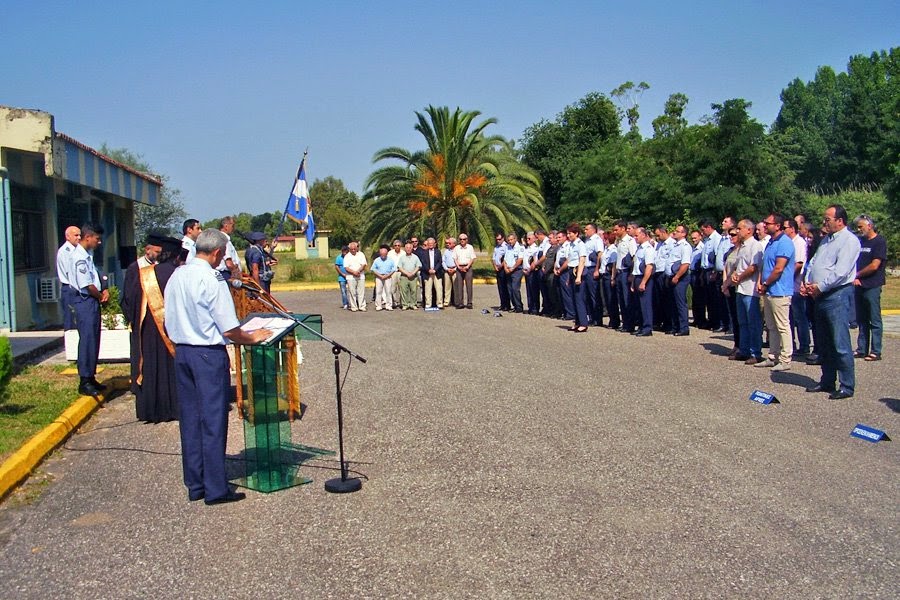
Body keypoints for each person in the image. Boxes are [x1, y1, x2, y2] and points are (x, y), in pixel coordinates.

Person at [165, 229, 271, 505]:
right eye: (223, 255)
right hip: (207, 355)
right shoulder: (212, 280)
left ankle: (196, 483)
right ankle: (215, 488)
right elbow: (230, 328)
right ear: (216, 253)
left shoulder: (178, 275)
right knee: (213, 421)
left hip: (183, 353)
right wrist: (252, 337)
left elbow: (169, 318)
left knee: (190, 420)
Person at [122, 233, 184, 423]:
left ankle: (151, 409)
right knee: (171, 368)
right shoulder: (179, 274)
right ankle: (175, 408)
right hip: (173, 330)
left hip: (148, 330)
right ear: (176, 256)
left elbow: (128, 301)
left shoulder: (145, 274)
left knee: (150, 366)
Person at [802, 205, 861, 399]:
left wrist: (821, 286)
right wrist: (808, 282)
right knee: (824, 341)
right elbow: (814, 262)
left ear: (840, 221)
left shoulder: (849, 241)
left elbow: (841, 271)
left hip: (836, 294)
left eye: (827, 219)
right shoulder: (826, 240)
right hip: (819, 294)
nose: (824, 222)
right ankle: (827, 380)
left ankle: (846, 385)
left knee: (839, 342)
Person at [70, 223, 109, 396]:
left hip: (92, 300)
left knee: (94, 339)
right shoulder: (79, 257)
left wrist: (105, 288)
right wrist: (101, 296)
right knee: (87, 339)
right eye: (97, 239)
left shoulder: (88, 255)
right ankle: (84, 380)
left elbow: (96, 276)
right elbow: (86, 284)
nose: (99, 242)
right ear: (88, 237)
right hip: (85, 300)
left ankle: (91, 376)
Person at [756, 213, 795, 371]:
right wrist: (761, 283)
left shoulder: (784, 242)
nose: (765, 226)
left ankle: (786, 359)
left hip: (780, 290)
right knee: (771, 326)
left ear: (777, 225)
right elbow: (765, 266)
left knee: (782, 325)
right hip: (769, 290)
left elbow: (779, 268)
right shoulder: (770, 242)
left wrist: (765, 283)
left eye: (768, 223)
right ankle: (773, 356)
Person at [853, 215, 886, 361]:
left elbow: (874, 265)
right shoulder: (860, 242)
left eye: (861, 226)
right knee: (862, 319)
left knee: (874, 319)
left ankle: (876, 350)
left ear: (869, 226)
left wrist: (857, 275)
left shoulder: (879, 242)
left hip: (872, 284)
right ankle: (862, 348)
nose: (859, 229)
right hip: (858, 285)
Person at [731, 219, 764, 363]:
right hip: (741, 289)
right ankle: (743, 350)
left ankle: (755, 352)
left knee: (753, 322)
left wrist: (740, 276)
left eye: (739, 228)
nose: (737, 231)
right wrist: (734, 275)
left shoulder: (755, 246)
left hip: (751, 289)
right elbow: (739, 266)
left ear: (749, 230)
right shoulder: (742, 246)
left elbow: (753, 267)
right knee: (742, 322)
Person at [784, 218, 810, 358]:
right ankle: (791, 344)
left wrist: (786, 278)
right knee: (790, 317)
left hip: (796, 284)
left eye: (785, 227)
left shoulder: (799, 242)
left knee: (800, 317)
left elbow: (798, 263)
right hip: (790, 286)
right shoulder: (788, 243)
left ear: (792, 229)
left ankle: (804, 345)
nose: (783, 230)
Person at [612, 221, 637, 332]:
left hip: (626, 272)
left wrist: (632, 274)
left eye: (616, 229)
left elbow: (633, 258)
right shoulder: (620, 241)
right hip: (619, 272)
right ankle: (625, 323)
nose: (615, 232)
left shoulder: (630, 241)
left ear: (623, 228)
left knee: (627, 300)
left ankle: (629, 324)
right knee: (621, 299)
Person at [632, 227, 656, 336]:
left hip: (644, 278)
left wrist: (643, 282)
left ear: (643, 235)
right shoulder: (639, 248)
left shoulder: (648, 249)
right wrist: (633, 282)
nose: (635, 238)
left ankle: (647, 328)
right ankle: (641, 326)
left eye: (637, 235)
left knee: (645, 304)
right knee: (638, 304)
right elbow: (636, 267)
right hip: (637, 277)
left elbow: (649, 267)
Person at [564, 224, 589, 332]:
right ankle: (577, 322)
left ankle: (583, 323)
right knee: (573, 298)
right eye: (568, 233)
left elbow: (582, 260)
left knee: (579, 298)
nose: (568, 235)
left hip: (578, 270)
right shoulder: (571, 245)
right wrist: (569, 278)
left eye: (570, 233)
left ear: (576, 233)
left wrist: (578, 276)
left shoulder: (580, 244)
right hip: (571, 271)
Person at [668, 225, 692, 336]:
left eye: (678, 231)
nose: (675, 233)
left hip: (680, 277)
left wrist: (677, 276)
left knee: (680, 302)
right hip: (672, 276)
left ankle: (683, 328)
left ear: (683, 234)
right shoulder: (675, 245)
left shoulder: (685, 246)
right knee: (673, 302)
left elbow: (685, 264)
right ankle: (675, 326)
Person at [56, 225, 81, 330]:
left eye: (80, 235)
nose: (79, 238)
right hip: (70, 288)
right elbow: (71, 273)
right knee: (71, 320)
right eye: (76, 235)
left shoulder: (77, 250)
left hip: (77, 288)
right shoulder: (65, 251)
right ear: (68, 237)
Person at [582, 224, 603, 325]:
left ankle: (597, 318)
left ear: (593, 230)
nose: (585, 231)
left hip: (592, 268)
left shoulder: (596, 240)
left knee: (594, 294)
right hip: (586, 268)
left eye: (587, 229)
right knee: (587, 295)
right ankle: (591, 316)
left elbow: (599, 254)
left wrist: (597, 269)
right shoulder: (587, 240)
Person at [599, 232, 619, 328]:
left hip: (608, 275)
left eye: (604, 239)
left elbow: (613, 264)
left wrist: (612, 278)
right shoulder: (606, 249)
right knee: (606, 298)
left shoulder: (613, 250)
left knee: (611, 299)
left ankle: (615, 321)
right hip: (603, 275)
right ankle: (612, 319)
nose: (603, 241)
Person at [452, 234, 477, 309]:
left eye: (464, 239)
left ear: (467, 240)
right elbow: (455, 258)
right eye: (460, 239)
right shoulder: (456, 248)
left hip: (468, 268)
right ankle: (460, 303)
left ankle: (469, 302)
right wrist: (458, 267)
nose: (462, 241)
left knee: (469, 286)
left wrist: (467, 266)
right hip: (459, 268)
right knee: (459, 286)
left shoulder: (470, 247)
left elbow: (472, 258)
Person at [503, 232, 525, 313]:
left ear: (515, 239)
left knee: (515, 289)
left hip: (517, 270)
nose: (510, 241)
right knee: (510, 289)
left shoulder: (520, 247)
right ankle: (515, 306)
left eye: (511, 240)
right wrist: (505, 268)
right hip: (508, 270)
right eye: (508, 240)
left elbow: (520, 259)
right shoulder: (508, 247)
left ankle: (519, 306)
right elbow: (505, 259)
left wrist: (512, 268)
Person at [343, 241, 368, 311]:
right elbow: (346, 267)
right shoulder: (347, 256)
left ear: (357, 248)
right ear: (349, 249)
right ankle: (354, 306)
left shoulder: (361, 254)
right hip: (351, 277)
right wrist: (354, 272)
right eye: (352, 249)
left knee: (361, 292)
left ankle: (362, 306)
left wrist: (358, 271)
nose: (353, 250)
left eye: (354, 249)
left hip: (361, 275)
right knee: (352, 292)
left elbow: (364, 264)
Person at [541, 231, 561, 318]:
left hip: (551, 273)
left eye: (551, 238)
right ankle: (550, 310)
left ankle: (556, 311)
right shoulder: (550, 248)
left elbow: (553, 261)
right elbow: (546, 259)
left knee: (553, 294)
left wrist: (547, 270)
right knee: (548, 293)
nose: (549, 239)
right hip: (546, 273)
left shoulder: (557, 248)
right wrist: (543, 266)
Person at [396, 242, 422, 310]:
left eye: (410, 248)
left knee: (414, 291)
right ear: (405, 249)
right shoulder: (402, 258)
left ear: (412, 248)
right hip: (404, 276)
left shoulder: (415, 257)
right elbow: (399, 267)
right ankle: (405, 304)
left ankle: (413, 304)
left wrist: (413, 273)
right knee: (404, 291)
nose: (408, 249)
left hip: (413, 277)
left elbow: (418, 266)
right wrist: (407, 273)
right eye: (407, 248)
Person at [420, 237, 444, 309]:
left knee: (439, 289)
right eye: (429, 243)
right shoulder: (424, 253)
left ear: (434, 244)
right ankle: (428, 304)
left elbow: (440, 262)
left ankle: (439, 304)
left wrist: (435, 270)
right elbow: (423, 263)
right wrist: (428, 270)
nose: (430, 245)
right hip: (427, 274)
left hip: (437, 273)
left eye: (432, 243)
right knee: (428, 290)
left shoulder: (438, 252)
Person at [371, 244, 396, 311]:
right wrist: (380, 275)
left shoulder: (390, 260)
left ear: (387, 253)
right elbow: (373, 269)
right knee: (378, 291)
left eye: (384, 254)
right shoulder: (376, 260)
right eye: (382, 254)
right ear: (380, 253)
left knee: (388, 291)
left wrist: (388, 275)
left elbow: (394, 269)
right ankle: (378, 305)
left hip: (388, 277)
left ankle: (389, 305)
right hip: (379, 277)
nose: (383, 256)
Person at [522, 232, 541, 314]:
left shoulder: (535, 249)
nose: (527, 240)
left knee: (534, 290)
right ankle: (530, 307)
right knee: (529, 290)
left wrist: (529, 270)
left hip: (532, 271)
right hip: (526, 271)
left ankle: (535, 308)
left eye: (529, 238)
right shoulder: (527, 248)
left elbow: (534, 261)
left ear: (534, 239)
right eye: (527, 238)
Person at [492, 233, 510, 310]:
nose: (498, 241)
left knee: (505, 287)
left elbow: (506, 258)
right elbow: (493, 258)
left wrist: (501, 265)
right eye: (497, 240)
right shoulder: (496, 247)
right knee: (500, 287)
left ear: (503, 238)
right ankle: (502, 304)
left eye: (499, 239)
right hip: (497, 269)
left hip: (503, 269)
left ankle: (507, 305)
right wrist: (495, 266)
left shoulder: (506, 247)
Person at [388, 239, 405, 308]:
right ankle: (394, 302)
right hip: (393, 272)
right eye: (395, 245)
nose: (397, 247)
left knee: (402, 288)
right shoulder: (390, 253)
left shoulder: (403, 253)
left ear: (400, 246)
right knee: (393, 289)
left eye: (398, 245)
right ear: (393, 246)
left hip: (401, 272)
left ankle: (402, 303)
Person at [442, 237, 457, 308]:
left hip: (455, 270)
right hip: (447, 270)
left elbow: (459, 261)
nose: (448, 244)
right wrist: (447, 269)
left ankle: (457, 301)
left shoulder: (457, 251)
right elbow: (443, 261)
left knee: (456, 287)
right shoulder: (446, 251)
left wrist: (455, 269)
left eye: (449, 243)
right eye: (447, 243)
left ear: (454, 244)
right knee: (447, 288)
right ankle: (446, 301)